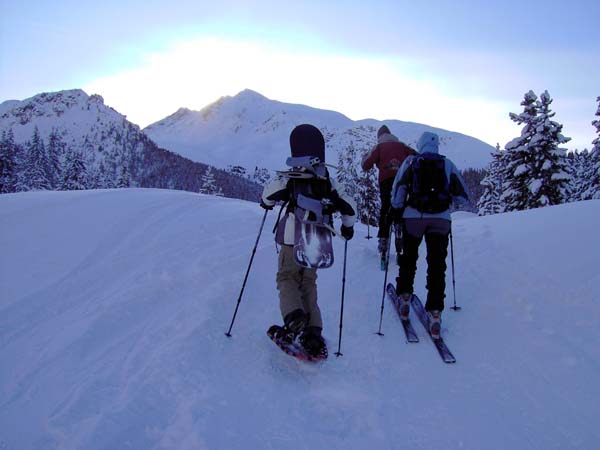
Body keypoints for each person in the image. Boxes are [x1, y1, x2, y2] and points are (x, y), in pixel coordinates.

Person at [261, 124, 357, 357]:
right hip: (318, 238)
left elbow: (267, 196)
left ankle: (294, 319)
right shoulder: (328, 181)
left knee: (287, 276)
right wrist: (347, 228)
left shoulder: (289, 178)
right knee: (308, 282)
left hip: (291, 236)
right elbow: (349, 207)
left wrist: (266, 204)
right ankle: (313, 330)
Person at [388, 131, 468, 339]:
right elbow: (463, 196)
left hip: (413, 217)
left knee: (408, 259)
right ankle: (434, 313)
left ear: (420, 144)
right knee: (437, 265)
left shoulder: (411, 161)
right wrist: (448, 204)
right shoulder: (447, 163)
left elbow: (398, 189)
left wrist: (396, 210)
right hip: (440, 220)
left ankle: (404, 299)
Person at [361, 125, 417, 263]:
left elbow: (366, 165)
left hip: (385, 181)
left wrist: (367, 158)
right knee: (400, 207)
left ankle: (384, 241)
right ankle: (399, 232)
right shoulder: (401, 145)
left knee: (385, 208)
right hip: (401, 179)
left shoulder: (379, 146)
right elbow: (416, 156)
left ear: (379, 136)